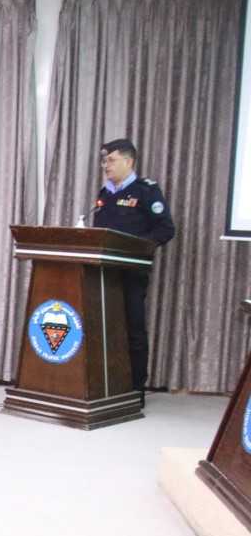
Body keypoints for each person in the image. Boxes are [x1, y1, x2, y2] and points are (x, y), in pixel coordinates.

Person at [92, 137, 176, 392]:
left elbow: (165, 229)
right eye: (104, 161)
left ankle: (135, 388)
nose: (106, 166)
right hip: (103, 273)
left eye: (111, 160)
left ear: (128, 162)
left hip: (131, 273)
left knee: (133, 330)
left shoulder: (146, 191)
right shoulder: (105, 193)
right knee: (103, 329)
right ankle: (106, 383)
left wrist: (137, 249)